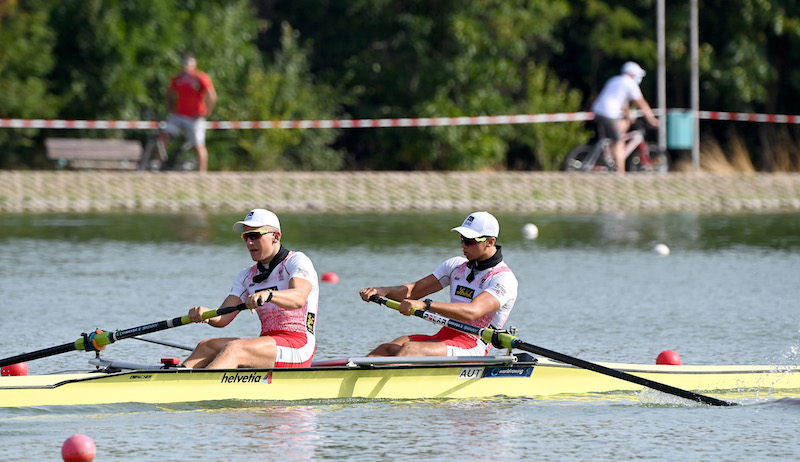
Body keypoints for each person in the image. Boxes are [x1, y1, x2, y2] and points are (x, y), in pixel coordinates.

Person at [359, 211, 518, 357]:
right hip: (445, 335)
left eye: (470, 241)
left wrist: (426, 305)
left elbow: (473, 311)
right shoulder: (455, 266)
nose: (463, 245)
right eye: (462, 238)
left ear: (490, 242)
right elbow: (413, 291)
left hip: (473, 343)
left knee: (410, 349)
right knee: (386, 349)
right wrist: (383, 291)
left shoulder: (503, 279)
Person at [182, 209, 319, 369]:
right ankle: (175, 380)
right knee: (206, 346)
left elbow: (299, 298)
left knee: (235, 349)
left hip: (298, 345)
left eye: (255, 236)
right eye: (246, 237)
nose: (249, 243)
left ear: (275, 237)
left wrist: (269, 295)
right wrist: (205, 314)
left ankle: (203, 383)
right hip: (268, 344)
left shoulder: (296, 261)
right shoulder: (247, 276)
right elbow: (223, 318)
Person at [590, 61, 660, 173]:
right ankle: (620, 172)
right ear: (632, 74)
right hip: (609, 113)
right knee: (619, 141)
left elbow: (624, 102)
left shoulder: (615, 80)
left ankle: (607, 156)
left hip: (598, 110)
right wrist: (652, 119)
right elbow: (641, 103)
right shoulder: (630, 83)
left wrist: (629, 117)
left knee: (621, 129)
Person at [162, 52, 217, 173]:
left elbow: (212, 96)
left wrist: (206, 112)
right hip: (179, 115)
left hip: (195, 118)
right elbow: (169, 93)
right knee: (164, 136)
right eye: (184, 63)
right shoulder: (177, 78)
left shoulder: (200, 77)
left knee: (199, 145)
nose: (186, 66)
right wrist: (170, 108)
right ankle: (160, 163)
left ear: (194, 64)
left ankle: (202, 172)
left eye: (188, 63)